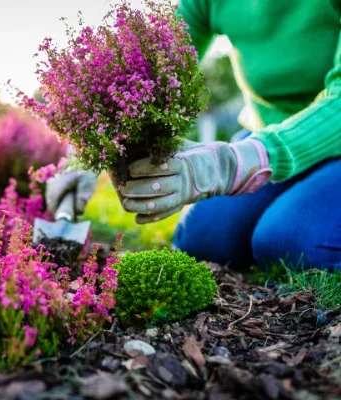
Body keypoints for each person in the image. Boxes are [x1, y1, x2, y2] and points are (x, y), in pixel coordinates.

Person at [45, 0, 341, 271]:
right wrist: (85, 155)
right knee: (204, 240)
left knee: (290, 242)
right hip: (264, 135)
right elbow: (146, 70)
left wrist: (234, 162)